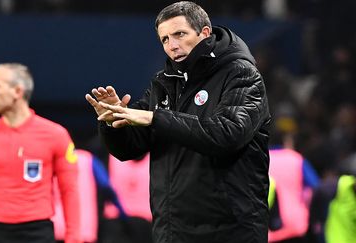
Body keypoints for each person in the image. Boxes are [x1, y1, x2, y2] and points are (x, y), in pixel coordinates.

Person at [85, 1, 271, 242]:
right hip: (173, 230)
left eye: (179, 34)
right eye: (164, 40)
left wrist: (155, 117)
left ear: (204, 33)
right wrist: (113, 121)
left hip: (230, 230)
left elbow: (229, 134)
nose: (172, 46)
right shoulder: (164, 83)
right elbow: (129, 149)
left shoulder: (241, 74)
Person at [0, 63, 80, 243]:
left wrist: (73, 239)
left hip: (37, 234)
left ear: (17, 92)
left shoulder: (56, 135)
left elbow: (70, 191)